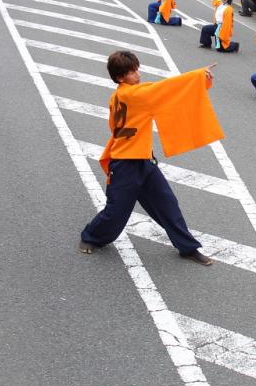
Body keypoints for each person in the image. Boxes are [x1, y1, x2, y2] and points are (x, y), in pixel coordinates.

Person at [78, 51, 222, 266]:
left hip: (143, 160)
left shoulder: (122, 94)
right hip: (125, 162)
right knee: (116, 211)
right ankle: (91, 236)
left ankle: (188, 247)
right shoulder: (135, 95)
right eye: (132, 72)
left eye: (137, 69)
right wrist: (198, 76)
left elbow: (157, 91)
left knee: (168, 205)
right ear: (120, 78)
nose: (138, 74)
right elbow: (166, 89)